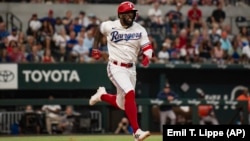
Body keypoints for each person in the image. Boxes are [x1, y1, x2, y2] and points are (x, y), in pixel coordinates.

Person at [88, 1, 153, 141]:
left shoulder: (139, 29)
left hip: (131, 69)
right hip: (115, 66)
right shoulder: (110, 26)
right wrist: (95, 48)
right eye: (128, 13)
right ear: (120, 15)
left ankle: (102, 96)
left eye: (132, 13)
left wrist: (148, 56)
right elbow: (99, 31)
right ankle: (137, 132)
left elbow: (147, 47)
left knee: (122, 104)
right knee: (129, 93)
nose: (131, 15)